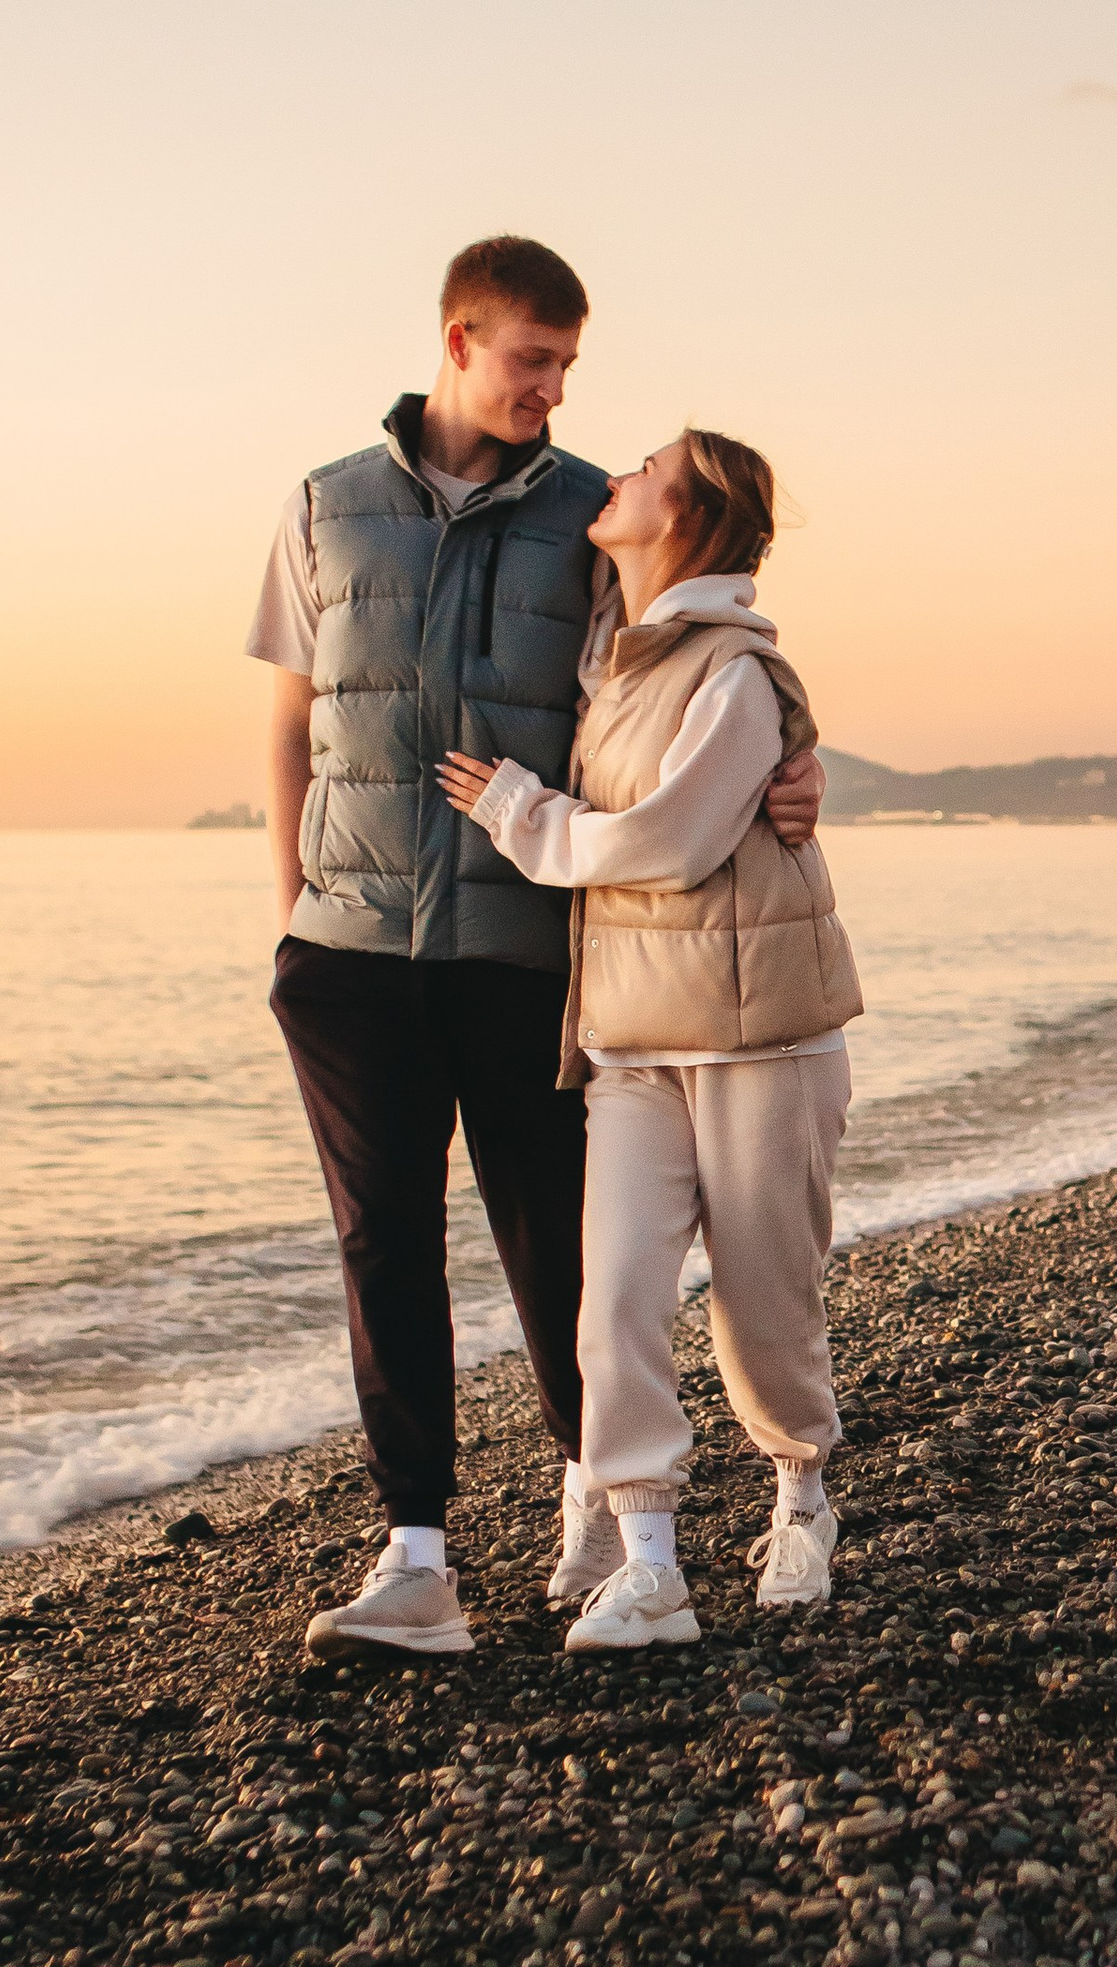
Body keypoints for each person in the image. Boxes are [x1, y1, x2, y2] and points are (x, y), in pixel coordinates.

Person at [248, 239, 823, 1659]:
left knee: (556, 1250)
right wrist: (291, 912)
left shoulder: (587, 516)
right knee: (383, 1247)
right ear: (459, 339)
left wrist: (796, 765)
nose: (555, 390)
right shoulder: (326, 509)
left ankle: (611, 1508)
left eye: (569, 366)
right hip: (351, 951)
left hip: (526, 956)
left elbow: (695, 674)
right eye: (531, 361)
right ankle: (418, 1560)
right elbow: (286, 717)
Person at [436, 429, 860, 1650]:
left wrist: (526, 815)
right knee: (613, 1297)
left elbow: (670, 845)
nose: (615, 477)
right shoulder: (608, 656)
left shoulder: (733, 671)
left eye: (645, 471)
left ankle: (801, 1497)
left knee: (765, 1308)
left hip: (759, 1040)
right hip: (629, 1040)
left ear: (693, 519)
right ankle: (652, 1562)